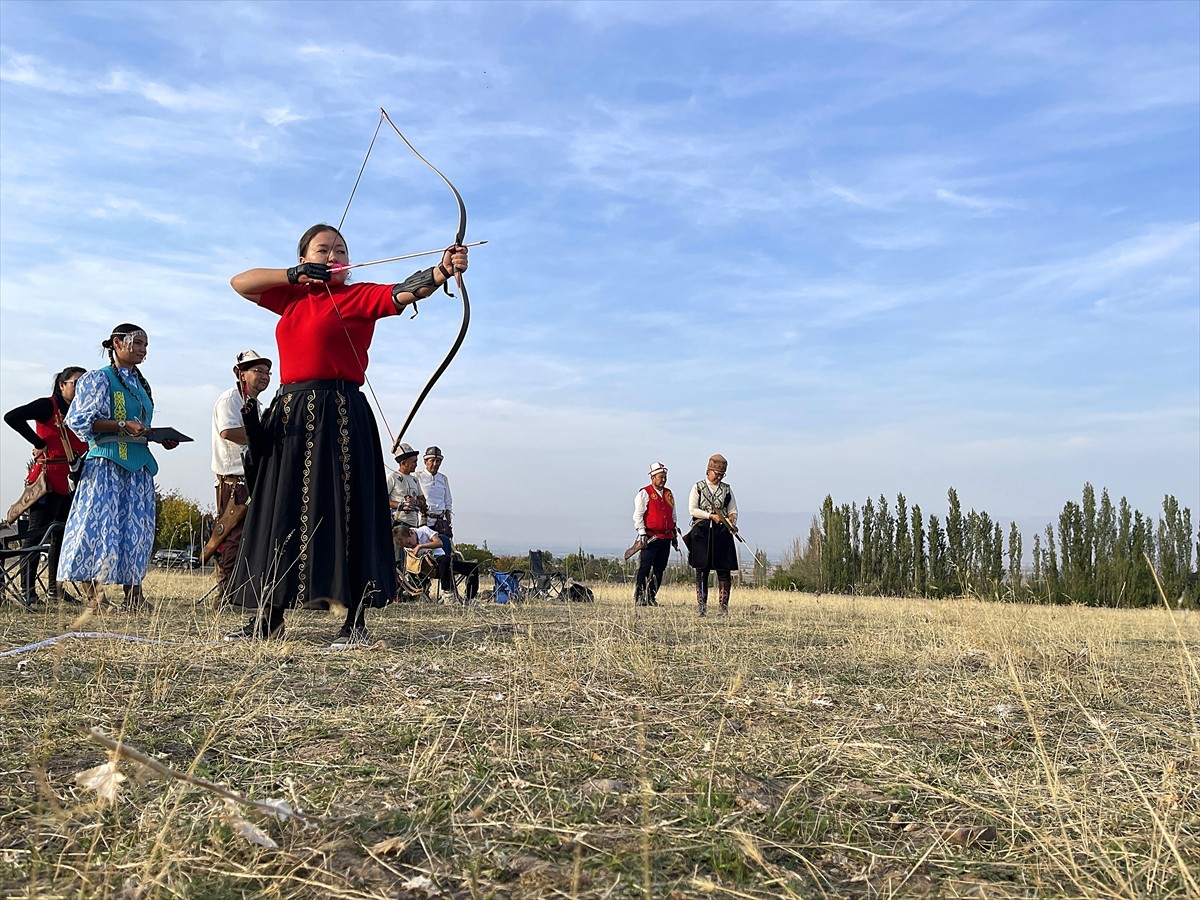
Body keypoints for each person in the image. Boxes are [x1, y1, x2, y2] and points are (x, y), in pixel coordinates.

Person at [225, 224, 468, 646]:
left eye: (340, 251)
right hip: (292, 415)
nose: (333, 256)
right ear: (304, 258)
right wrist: (292, 276)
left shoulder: (358, 296)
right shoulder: (292, 297)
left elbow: (402, 293)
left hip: (340, 415)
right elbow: (240, 283)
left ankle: (354, 622)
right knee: (282, 512)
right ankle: (269, 619)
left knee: (348, 511)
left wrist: (441, 271)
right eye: (323, 250)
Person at [58, 324, 180, 610]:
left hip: (139, 466)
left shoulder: (141, 383)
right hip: (106, 462)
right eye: (137, 343)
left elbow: (142, 423)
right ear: (117, 343)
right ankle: (95, 596)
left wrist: (157, 436)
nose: (142, 349)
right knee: (98, 526)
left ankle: (134, 595)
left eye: (145, 345)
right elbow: (77, 420)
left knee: (136, 530)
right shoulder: (97, 379)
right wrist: (123, 424)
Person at [4, 366, 88, 604]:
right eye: (76, 383)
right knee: (36, 536)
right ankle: (28, 593)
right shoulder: (48, 405)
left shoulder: (82, 412)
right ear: (62, 385)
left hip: (71, 480)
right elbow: (12, 417)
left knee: (62, 535)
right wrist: (38, 442)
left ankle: (55, 589)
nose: (81, 388)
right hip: (47, 479)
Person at [209, 350, 272, 602]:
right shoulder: (231, 399)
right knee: (233, 535)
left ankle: (241, 590)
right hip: (234, 480)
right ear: (241, 373)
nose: (264, 376)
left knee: (248, 536)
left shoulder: (257, 405)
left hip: (252, 477)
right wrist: (265, 440)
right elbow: (228, 432)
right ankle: (226, 592)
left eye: (267, 372)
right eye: (257, 371)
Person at [686, 454, 739, 617]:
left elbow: (733, 510)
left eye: (722, 474)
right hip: (701, 533)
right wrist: (710, 516)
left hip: (722, 534)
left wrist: (731, 521)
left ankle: (723, 608)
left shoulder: (727, 489)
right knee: (702, 570)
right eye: (716, 473)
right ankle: (702, 607)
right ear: (708, 471)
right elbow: (692, 509)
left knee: (724, 570)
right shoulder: (698, 487)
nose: (719, 477)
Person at [394, 521, 478, 603]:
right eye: (406, 546)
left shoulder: (424, 530)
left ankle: (470, 597)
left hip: (443, 562)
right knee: (445, 560)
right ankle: (447, 591)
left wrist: (421, 546)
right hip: (429, 567)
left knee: (472, 567)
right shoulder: (407, 546)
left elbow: (439, 543)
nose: (410, 546)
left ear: (411, 533)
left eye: (409, 543)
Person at [631, 461, 678, 607]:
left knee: (660, 568)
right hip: (650, 537)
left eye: (665, 476)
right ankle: (639, 597)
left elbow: (673, 514)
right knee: (645, 568)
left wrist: (674, 533)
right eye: (660, 476)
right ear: (652, 477)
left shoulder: (668, 493)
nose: (663, 479)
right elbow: (638, 515)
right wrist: (642, 533)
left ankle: (651, 596)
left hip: (666, 537)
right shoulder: (644, 493)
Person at [387, 442, 425, 528]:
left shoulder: (415, 480)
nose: (416, 465)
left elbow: (423, 501)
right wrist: (402, 505)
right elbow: (383, 500)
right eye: (414, 462)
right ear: (403, 463)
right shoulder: (392, 477)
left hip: (414, 525)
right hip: (397, 523)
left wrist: (415, 502)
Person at [418, 445, 453, 538]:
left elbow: (448, 501)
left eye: (437, 461)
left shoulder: (443, 478)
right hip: (424, 520)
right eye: (432, 460)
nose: (435, 464)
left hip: (441, 522)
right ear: (425, 462)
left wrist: (448, 521)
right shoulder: (417, 477)